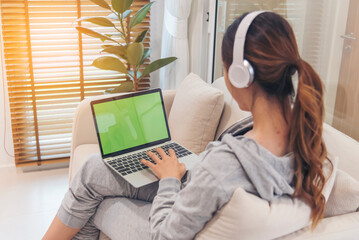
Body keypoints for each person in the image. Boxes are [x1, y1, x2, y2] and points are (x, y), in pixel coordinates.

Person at [43, 11, 329, 240]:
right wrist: (183, 170)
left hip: (177, 200)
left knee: (95, 199)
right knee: (95, 168)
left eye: (225, 67)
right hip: (190, 181)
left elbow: (165, 235)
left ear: (241, 75)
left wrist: (169, 179)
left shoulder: (224, 165)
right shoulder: (306, 133)